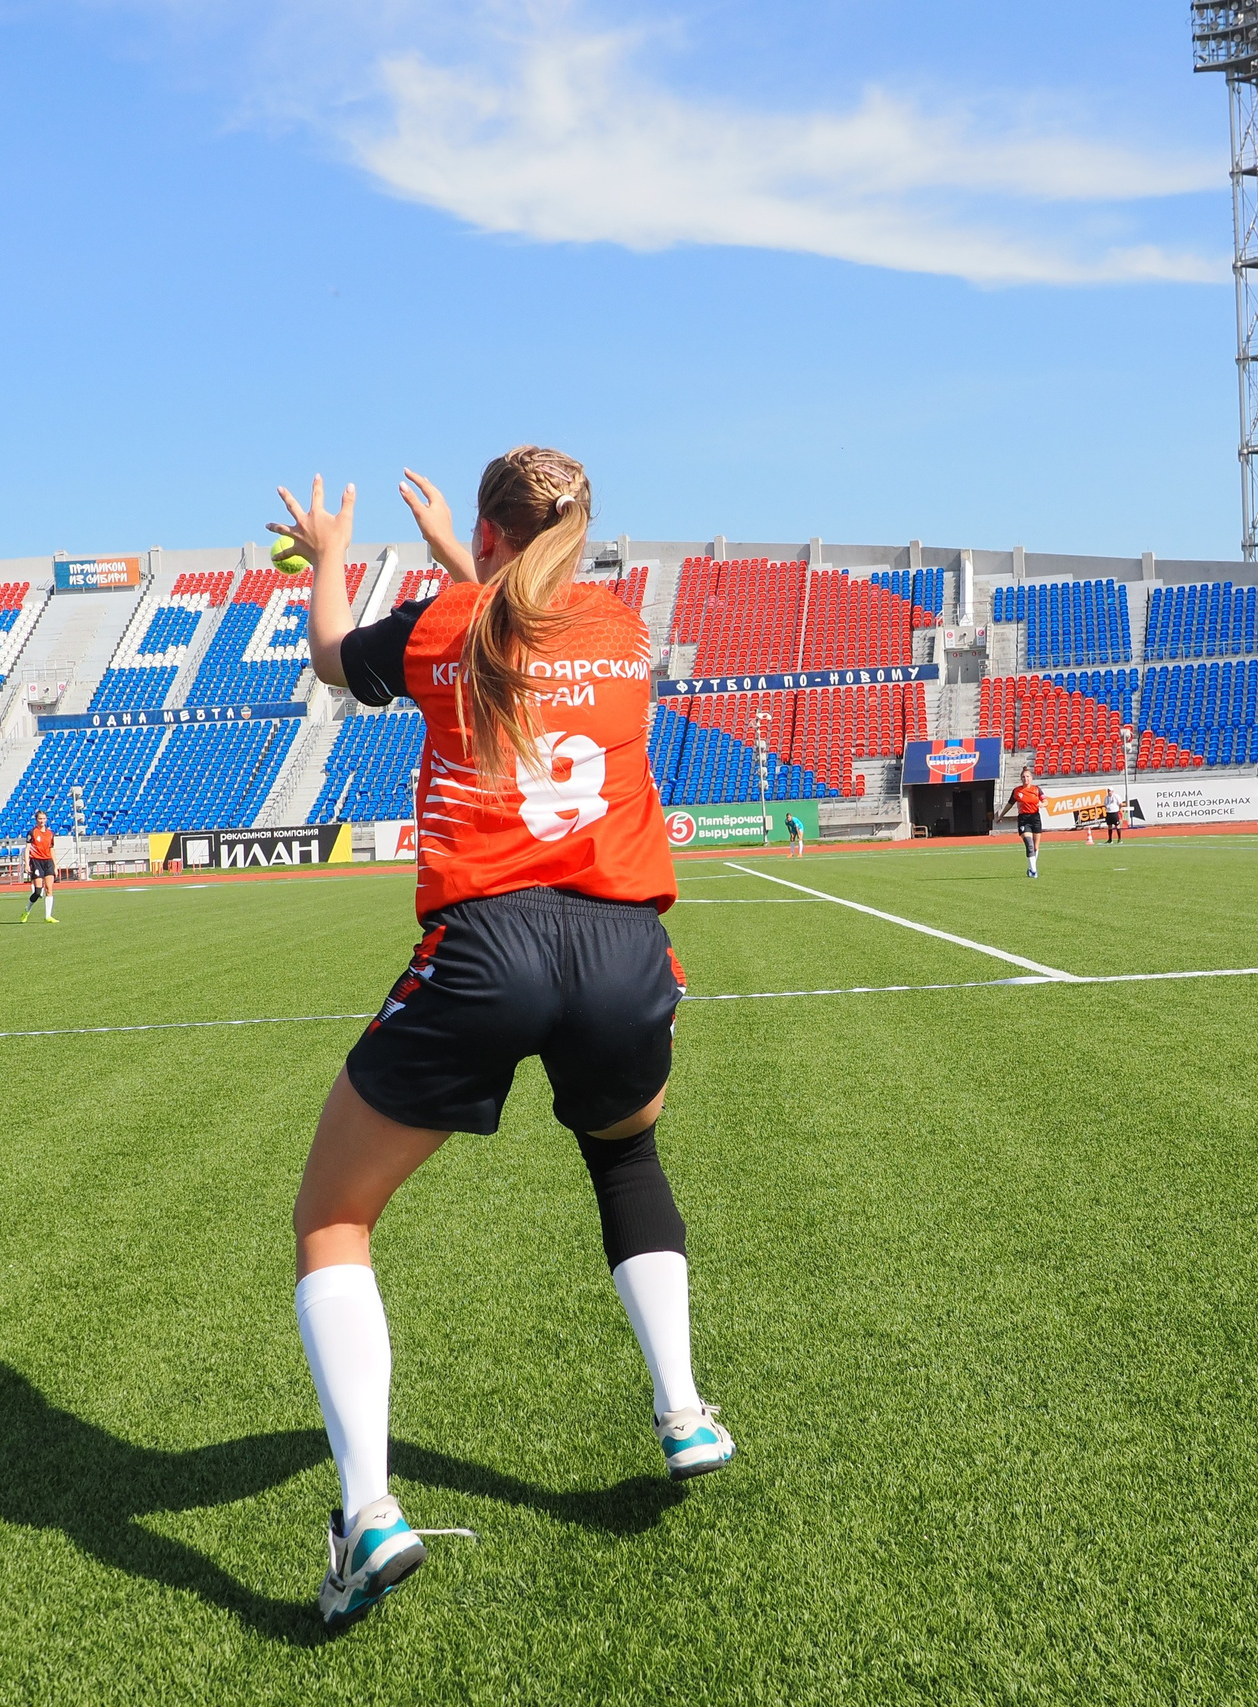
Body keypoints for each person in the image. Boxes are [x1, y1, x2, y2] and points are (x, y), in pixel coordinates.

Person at [271, 449, 731, 1629]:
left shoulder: (442, 624)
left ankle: (370, 1512)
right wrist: (466, 558)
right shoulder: (623, 629)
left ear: (483, 539)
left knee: (333, 1219)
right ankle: (685, 1412)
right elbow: (529, 616)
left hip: (489, 945)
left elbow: (337, 659)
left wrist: (330, 561)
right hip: (626, 949)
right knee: (625, 1157)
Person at [1005, 766, 1045, 877]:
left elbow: (1045, 801)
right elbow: (1010, 804)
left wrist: (1042, 804)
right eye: (1023, 777)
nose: (1025, 779)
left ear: (1031, 778)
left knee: (1036, 847)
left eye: (1027, 776)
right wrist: (1001, 815)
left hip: (1035, 818)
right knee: (1029, 844)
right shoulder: (1017, 791)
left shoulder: (1037, 789)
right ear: (1020, 779)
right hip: (1023, 819)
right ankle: (1034, 871)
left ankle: (1031, 868)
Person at [23, 811, 59, 923]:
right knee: (38, 891)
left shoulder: (50, 833)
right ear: (36, 819)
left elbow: (51, 849)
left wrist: (55, 865)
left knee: (49, 889)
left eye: (44, 818)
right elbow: (27, 849)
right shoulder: (32, 832)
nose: (42, 821)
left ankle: (48, 916)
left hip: (48, 862)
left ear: (46, 819)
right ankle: (27, 910)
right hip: (36, 861)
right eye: (40, 819)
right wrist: (27, 864)